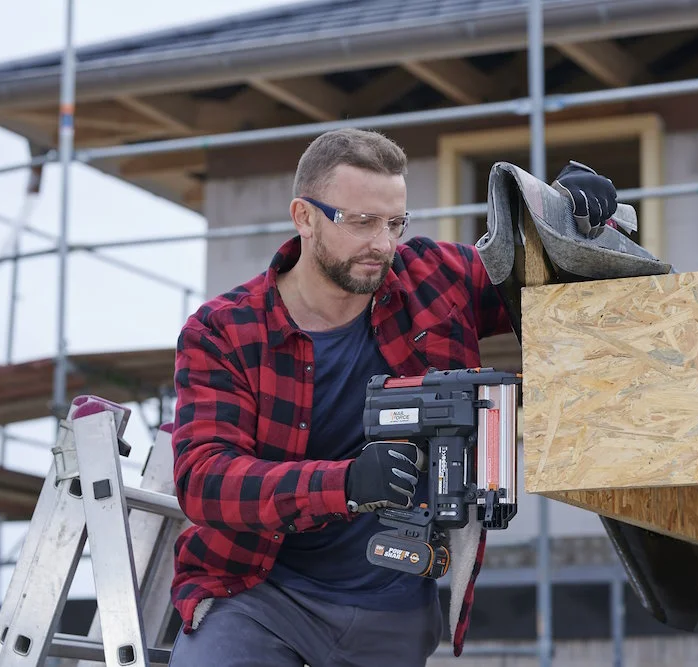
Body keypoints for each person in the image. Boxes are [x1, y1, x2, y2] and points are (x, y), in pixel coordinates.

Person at [166, 128, 618, 666]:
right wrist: (348, 483)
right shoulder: (225, 330)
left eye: (394, 222)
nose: (382, 243)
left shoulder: (438, 279)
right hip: (259, 596)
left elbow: (547, 287)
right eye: (360, 222)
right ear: (304, 217)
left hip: (395, 609)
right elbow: (205, 480)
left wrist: (573, 219)